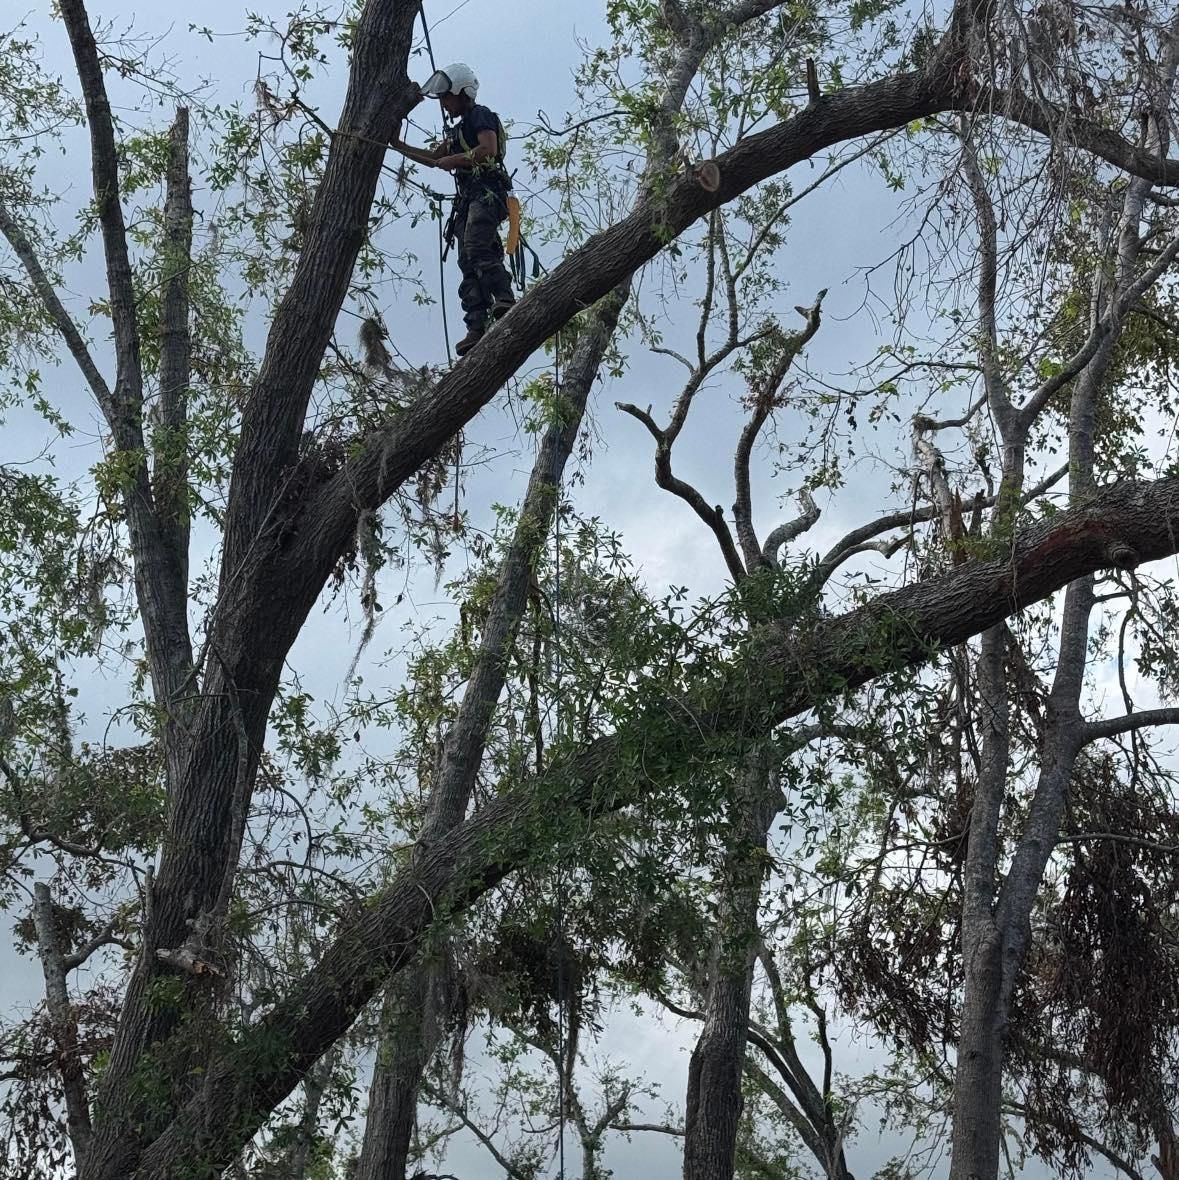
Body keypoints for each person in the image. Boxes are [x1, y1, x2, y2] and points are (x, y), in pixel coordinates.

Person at [391, 63, 516, 356]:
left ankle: (504, 296)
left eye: (447, 98)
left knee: (477, 245)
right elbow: (435, 157)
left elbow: (488, 149)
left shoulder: (480, 115)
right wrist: (396, 144)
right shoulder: (458, 130)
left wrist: (456, 159)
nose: (444, 104)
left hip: (488, 192)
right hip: (469, 198)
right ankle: (476, 324)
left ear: (463, 93)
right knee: (467, 259)